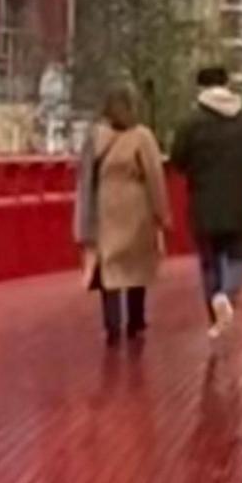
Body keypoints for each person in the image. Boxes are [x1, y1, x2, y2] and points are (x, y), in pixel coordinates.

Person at [173, 65, 242, 331]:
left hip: (203, 202)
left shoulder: (191, 123)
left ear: (201, 89)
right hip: (239, 200)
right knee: (237, 257)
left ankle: (215, 316)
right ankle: (227, 294)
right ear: (227, 84)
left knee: (209, 261)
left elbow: (178, 160)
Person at [77, 86, 169, 343]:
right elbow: (154, 176)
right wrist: (162, 213)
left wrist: (84, 222)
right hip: (136, 206)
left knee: (110, 267)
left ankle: (112, 324)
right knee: (136, 266)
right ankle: (136, 320)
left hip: (106, 206)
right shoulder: (142, 136)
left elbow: (85, 178)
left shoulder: (95, 136)